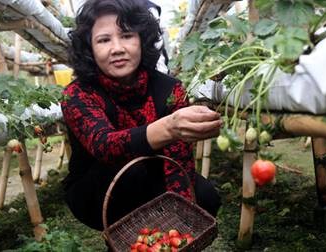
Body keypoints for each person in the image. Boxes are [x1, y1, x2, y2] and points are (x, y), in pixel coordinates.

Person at [62, 0, 222, 231]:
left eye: (127, 35)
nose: (117, 48)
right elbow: (105, 146)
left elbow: (179, 160)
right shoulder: (77, 94)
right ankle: (123, 239)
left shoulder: (170, 89)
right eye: (104, 40)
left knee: (205, 196)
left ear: (142, 39)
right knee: (132, 172)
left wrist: (183, 211)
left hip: (153, 174)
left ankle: (163, 239)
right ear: (89, 48)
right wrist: (168, 128)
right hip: (97, 188)